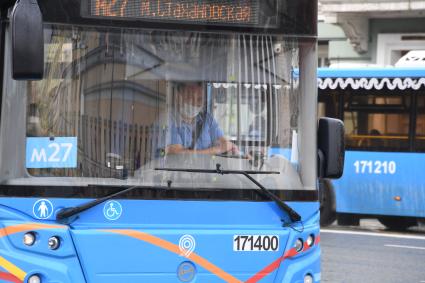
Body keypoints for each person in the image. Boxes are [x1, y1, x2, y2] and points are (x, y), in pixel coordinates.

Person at [166, 81, 238, 155]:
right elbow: (177, 153)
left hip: (206, 166)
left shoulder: (207, 119)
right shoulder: (168, 119)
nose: (195, 103)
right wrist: (218, 149)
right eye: (190, 97)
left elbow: (224, 142)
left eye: (199, 99)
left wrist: (230, 148)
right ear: (178, 97)